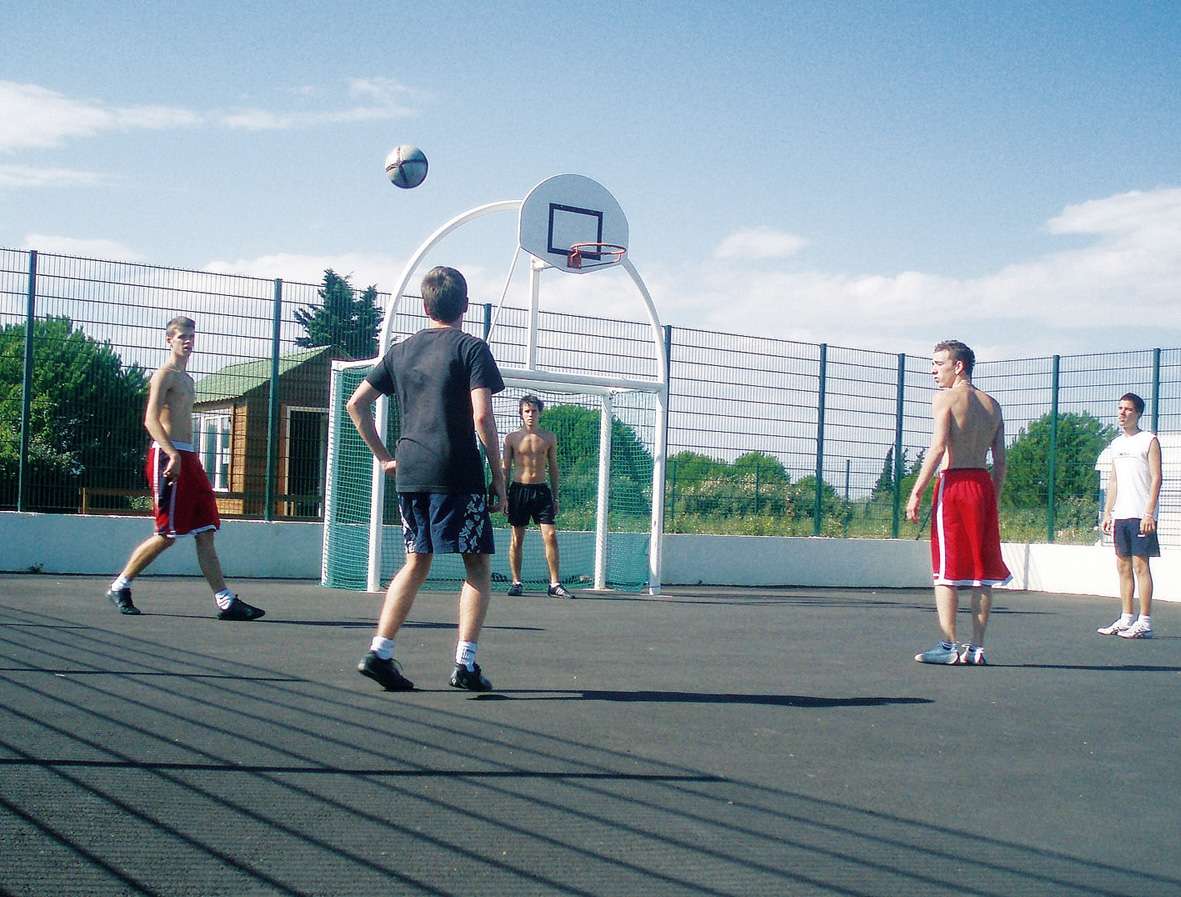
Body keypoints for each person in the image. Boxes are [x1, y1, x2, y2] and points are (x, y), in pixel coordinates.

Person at [347, 266, 506, 693]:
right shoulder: (471, 348)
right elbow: (482, 415)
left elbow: (356, 405)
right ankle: (465, 664)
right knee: (476, 563)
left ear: (424, 306)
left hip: (411, 470)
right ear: (466, 306)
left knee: (417, 560)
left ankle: (380, 652)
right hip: (456, 470)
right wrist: (499, 476)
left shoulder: (401, 351)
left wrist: (384, 458)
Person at [104, 316, 265, 621]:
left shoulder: (188, 379)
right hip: (168, 457)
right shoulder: (164, 375)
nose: (188, 341)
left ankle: (226, 601)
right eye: (182, 337)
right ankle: (120, 586)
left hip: (189, 458)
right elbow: (150, 420)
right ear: (169, 340)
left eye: (192, 336)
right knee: (167, 533)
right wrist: (171, 454)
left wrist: (184, 457)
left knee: (205, 531)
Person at [906, 339, 1009, 665]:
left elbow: (937, 449)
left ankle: (949, 646)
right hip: (982, 486)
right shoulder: (992, 405)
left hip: (954, 485)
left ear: (958, 365)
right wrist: (994, 496)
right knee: (981, 573)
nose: (933, 370)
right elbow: (1001, 461)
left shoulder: (946, 398)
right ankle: (977, 649)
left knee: (946, 571)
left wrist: (916, 491)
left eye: (939, 364)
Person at [1097, 392, 1161, 639]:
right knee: (1123, 566)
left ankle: (1144, 622)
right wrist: (1108, 511)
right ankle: (1126, 618)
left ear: (1138, 414)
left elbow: (1156, 478)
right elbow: (1113, 481)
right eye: (1120, 408)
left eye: (1128, 409)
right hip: (1121, 514)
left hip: (1140, 514)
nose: (1122, 413)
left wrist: (1149, 512)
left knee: (1140, 566)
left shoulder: (1149, 440)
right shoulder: (1116, 444)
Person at [502, 395, 575, 599]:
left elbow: (554, 468)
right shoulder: (511, 438)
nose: (530, 415)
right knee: (517, 538)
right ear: (521, 413)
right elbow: (505, 468)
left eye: (534, 411)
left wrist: (556, 496)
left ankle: (554, 584)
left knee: (550, 535)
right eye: (527, 411)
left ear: (540, 413)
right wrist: (504, 495)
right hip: (518, 490)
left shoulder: (549, 437)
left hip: (542, 491)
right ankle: (516, 582)